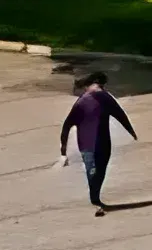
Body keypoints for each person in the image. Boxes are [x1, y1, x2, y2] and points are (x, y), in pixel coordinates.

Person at [57, 72, 136, 215]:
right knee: (98, 172)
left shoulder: (85, 100)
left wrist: (63, 148)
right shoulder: (102, 98)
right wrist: (130, 130)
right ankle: (95, 200)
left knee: (93, 171)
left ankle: (95, 199)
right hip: (101, 142)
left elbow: (67, 125)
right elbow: (121, 115)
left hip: (88, 143)